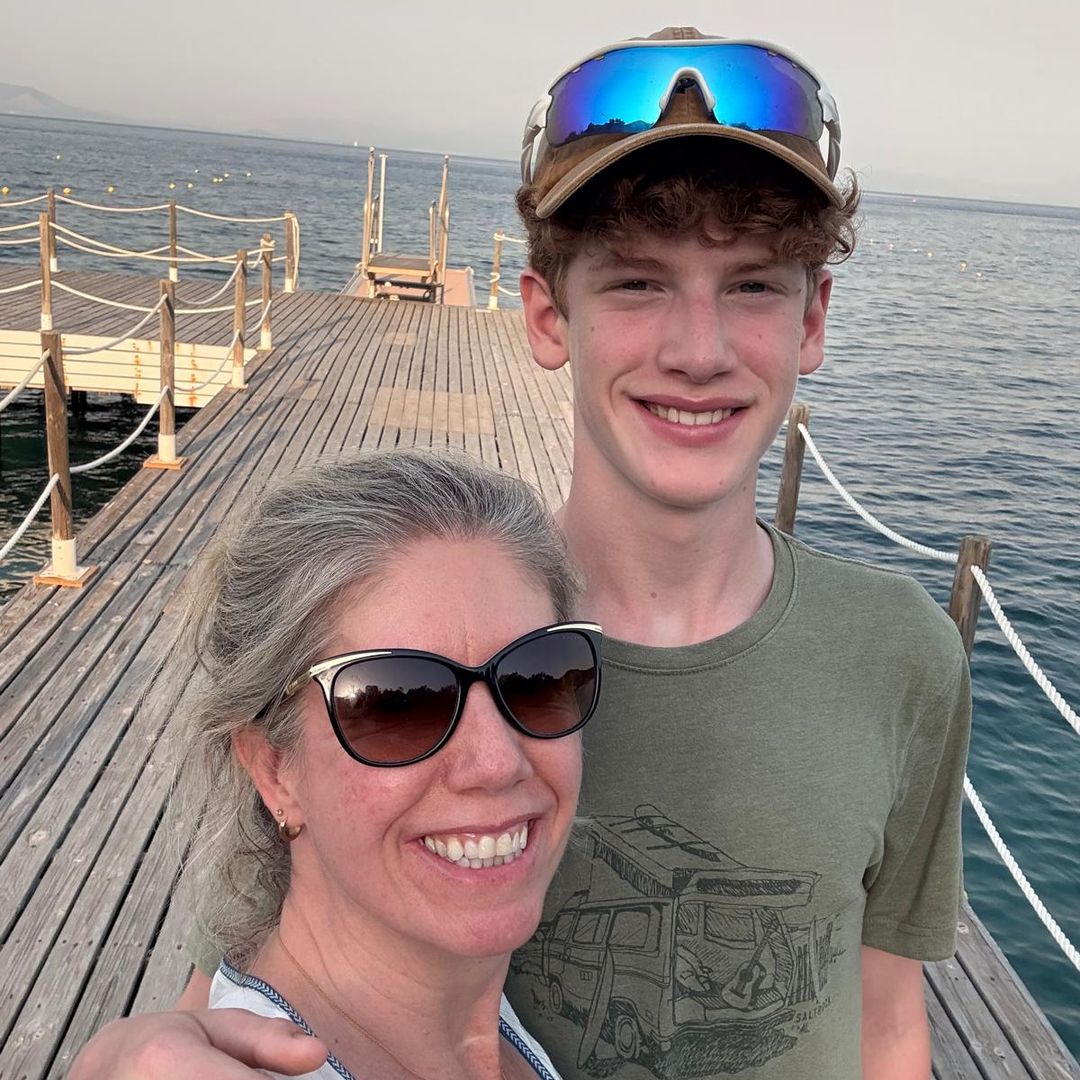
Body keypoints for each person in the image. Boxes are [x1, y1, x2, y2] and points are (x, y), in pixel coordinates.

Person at [70, 26, 970, 1080]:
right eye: (637, 282)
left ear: (814, 319)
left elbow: (888, 1017)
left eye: (754, 285)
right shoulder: (435, 625)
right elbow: (247, 1000)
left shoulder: (903, 655)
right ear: (547, 313)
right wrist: (134, 1050)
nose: (698, 349)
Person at [73, 449, 603, 1080]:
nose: (496, 762)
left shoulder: (477, 1028)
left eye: (534, 678)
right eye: (397, 702)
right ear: (275, 770)